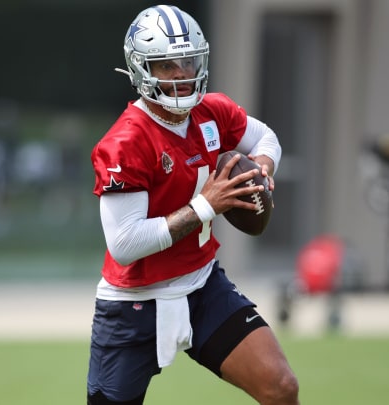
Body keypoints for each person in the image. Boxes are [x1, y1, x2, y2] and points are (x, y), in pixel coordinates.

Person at [88, 5, 299, 405]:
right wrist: (206, 205)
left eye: (187, 60)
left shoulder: (212, 110)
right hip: (134, 306)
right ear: (140, 68)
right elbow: (125, 243)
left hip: (203, 286)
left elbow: (265, 137)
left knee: (281, 386)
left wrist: (263, 167)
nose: (182, 74)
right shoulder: (125, 142)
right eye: (166, 64)